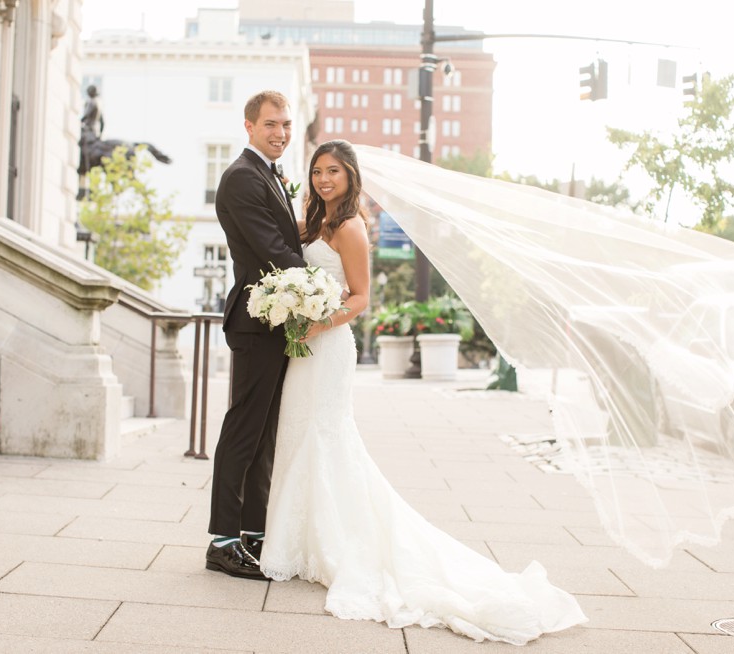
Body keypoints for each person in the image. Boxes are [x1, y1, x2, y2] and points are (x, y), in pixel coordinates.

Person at [258, 140, 587, 645]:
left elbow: (362, 297)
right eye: (318, 171)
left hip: (327, 346)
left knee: (326, 436)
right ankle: (297, 540)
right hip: (302, 347)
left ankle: (335, 544)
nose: (324, 180)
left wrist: (318, 324)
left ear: (350, 177)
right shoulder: (310, 224)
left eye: (334, 172)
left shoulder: (350, 226)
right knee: (298, 432)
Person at [206, 91, 305, 580]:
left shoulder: (268, 173)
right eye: (270, 125)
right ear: (248, 126)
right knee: (244, 429)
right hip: (256, 320)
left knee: (264, 433)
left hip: (275, 320)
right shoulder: (243, 178)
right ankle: (223, 542)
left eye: (286, 124)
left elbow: (283, 237)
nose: (280, 133)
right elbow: (272, 250)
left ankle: (252, 533)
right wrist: (323, 286)